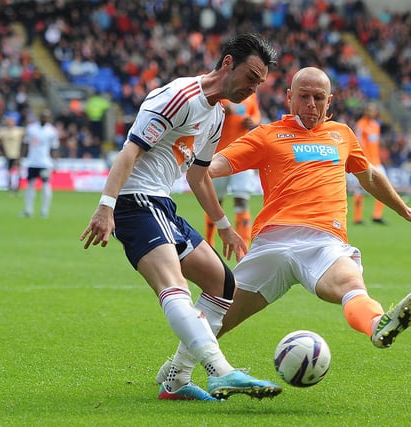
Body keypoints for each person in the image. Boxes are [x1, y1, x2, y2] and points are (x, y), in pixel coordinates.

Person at [156, 66, 411, 387]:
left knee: (350, 284)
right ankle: (177, 369)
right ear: (289, 98)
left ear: (330, 101)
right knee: (221, 315)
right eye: (304, 97)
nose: (311, 105)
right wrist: (180, 161)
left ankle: (377, 325)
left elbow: (368, 175)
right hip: (272, 243)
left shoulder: (342, 134)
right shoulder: (265, 136)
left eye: (318, 98)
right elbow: (214, 166)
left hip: (323, 242)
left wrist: (402, 209)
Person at [79, 33, 280, 402]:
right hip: (135, 202)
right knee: (175, 288)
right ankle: (221, 372)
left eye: (260, 83)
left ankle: (175, 381)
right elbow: (129, 152)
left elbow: (198, 175)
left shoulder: (217, 115)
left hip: (162, 206)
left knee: (223, 285)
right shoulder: (178, 97)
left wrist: (225, 227)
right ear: (227, 64)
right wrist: (106, 206)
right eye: (251, 77)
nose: (254, 89)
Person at [205, 93, 261, 247]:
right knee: (215, 201)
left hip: (242, 155)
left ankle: (244, 247)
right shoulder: (221, 93)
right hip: (218, 154)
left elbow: (255, 113)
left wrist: (253, 120)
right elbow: (205, 115)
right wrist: (221, 112)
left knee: (241, 199)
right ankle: (209, 242)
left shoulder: (251, 95)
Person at [352, 102, 387, 225]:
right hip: (365, 163)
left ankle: (377, 215)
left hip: (377, 162)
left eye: (373, 110)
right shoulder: (361, 125)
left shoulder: (376, 125)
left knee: (384, 187)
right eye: (369, 110)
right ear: (365, 111)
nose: (371, 112)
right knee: (359, 189)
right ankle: (357, 218)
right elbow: (359, 144)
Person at [21, 110, 59, 218]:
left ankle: (44, 210)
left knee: (46, 184)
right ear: (39, 116)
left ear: (49, 118)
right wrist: (22, 158)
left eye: (46, 116)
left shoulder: (51, 131)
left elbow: (54, 148)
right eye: (42, 116)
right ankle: (28, 210)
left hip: (45, 162)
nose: (44, 118)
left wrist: (55, 162)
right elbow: (25, 144)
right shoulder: (31, 129)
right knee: (30, 185)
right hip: (32, 161)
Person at [0, 115, 25, 194]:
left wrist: (23, 152)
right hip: (8, 154)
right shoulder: (3, 131)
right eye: (9, 122)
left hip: (17, 154)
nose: (11, 123)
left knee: (18, 171)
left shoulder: (19, 130)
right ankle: (10, 187)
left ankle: (17, 187)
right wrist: (0, 151)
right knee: (9, 172)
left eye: (12, 122)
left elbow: (25, 137)